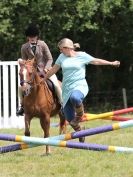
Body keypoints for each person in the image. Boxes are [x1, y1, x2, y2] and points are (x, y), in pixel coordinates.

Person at [44, 38, 120, 141]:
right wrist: (43, 79)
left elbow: (96, 61)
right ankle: (81, 132)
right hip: (66, 89)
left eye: (61, 49)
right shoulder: (62, 57)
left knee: (75, 97)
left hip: (80, 85)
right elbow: (54, 69)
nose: (60, 51)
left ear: (67, 48)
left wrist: (111, 63)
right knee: (70, 119)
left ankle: (80, 115)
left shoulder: (82, 55)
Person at [16, 24, 62, 116]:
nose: (32, 38)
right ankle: (22, 106)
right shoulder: (24, 47)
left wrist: (46, 68)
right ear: (27, 37)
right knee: (20, 87)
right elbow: (25, 61)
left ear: (37, 36)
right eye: (30, 36)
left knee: (56, 85)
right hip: (32, 73)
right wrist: (21, 62)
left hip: (45, 71)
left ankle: (62, 104)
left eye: (34, 36)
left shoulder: (43, 44)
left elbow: (50, 59)